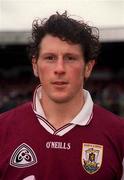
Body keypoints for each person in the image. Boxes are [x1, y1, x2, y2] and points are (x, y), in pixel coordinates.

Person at [0, 11, 124, 180]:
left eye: (70, 58)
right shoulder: (3, 129)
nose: (59, 69)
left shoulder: (119, 134)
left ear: (88, 67)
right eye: (50, 58)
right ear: (35, 66)